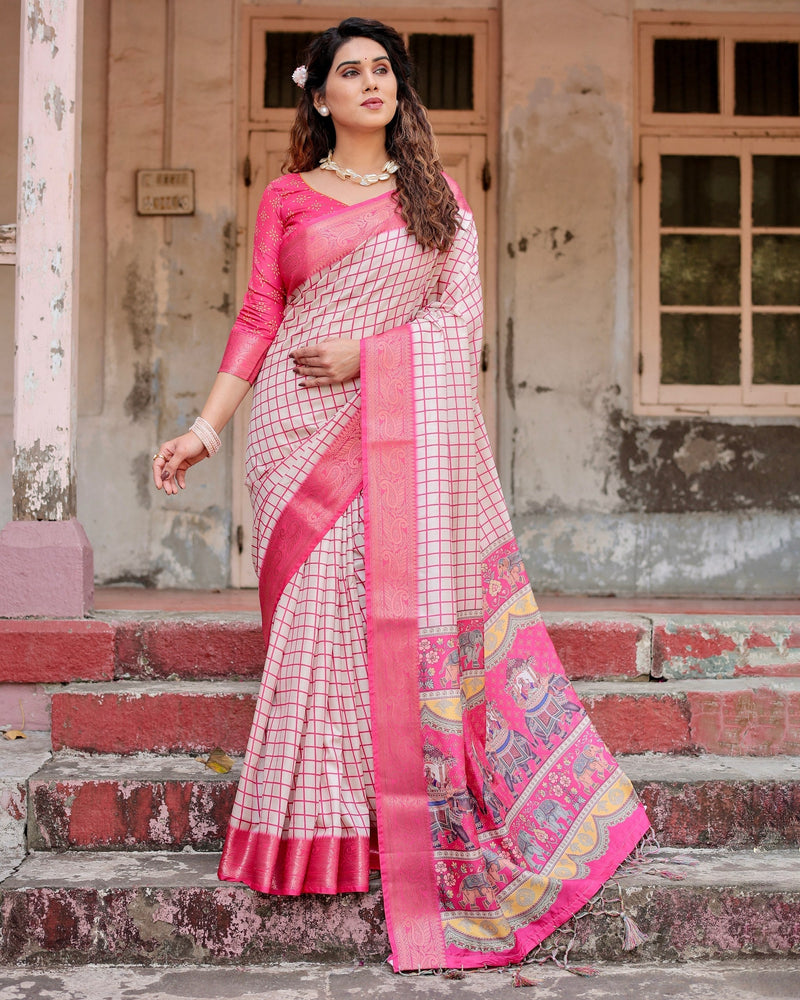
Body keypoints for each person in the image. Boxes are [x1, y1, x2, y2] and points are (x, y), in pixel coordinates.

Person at [152, 16, 649, 973]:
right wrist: (205, 428)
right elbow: (261, 314)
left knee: (382, 620)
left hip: (389, 426)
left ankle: (394, 830)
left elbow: (459, 328)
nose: (372, 83)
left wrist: (369, 355)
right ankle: (317, 833)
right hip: (296, 433)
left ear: (397, 89)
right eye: (352, 71)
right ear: (321, 94)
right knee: (317, 624)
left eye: (384, 70)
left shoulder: (436, 198)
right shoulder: (290, 197)